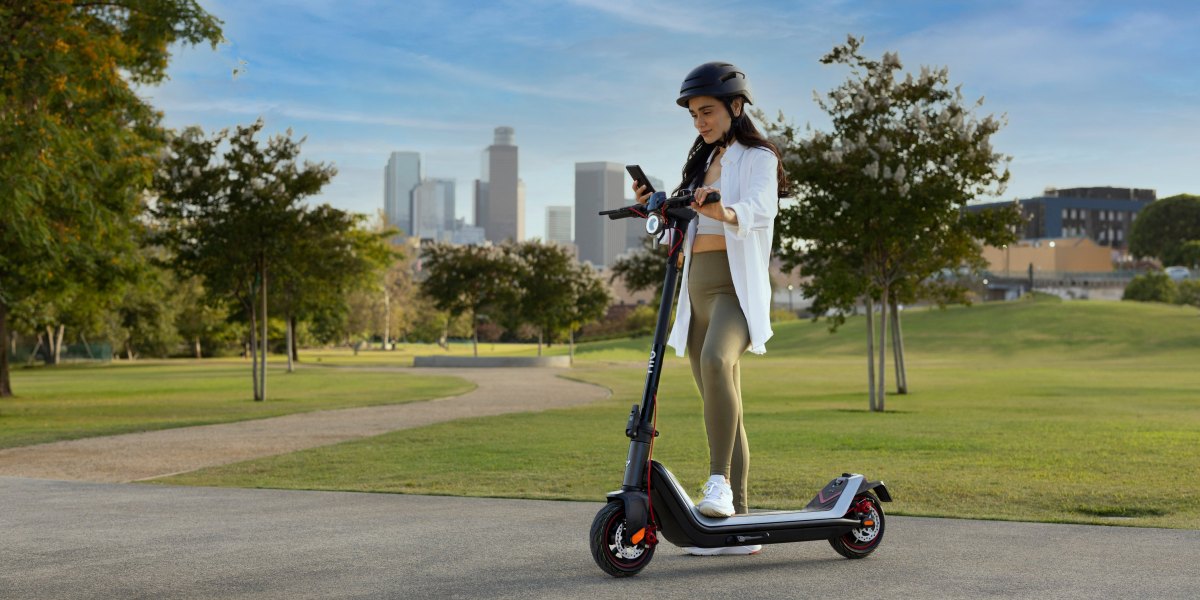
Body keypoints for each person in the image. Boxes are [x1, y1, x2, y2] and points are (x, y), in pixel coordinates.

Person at [634, 62, 787, 556]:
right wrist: (654, 205)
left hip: (734, 290)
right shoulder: (700, 165)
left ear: (735, 107)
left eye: (707, 111)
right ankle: (737, 527)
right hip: (695, 292)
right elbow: (682, 226)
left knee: (717, 363)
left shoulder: (757, 157)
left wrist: (720, 209)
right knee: (722, 402)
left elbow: (763, 207)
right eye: (694, 114)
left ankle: (718, 482)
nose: (699, 121)